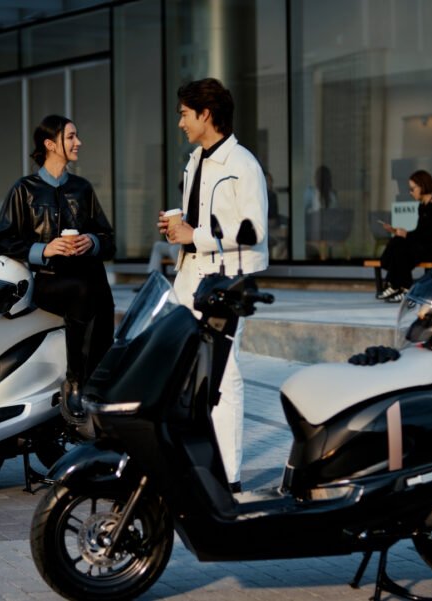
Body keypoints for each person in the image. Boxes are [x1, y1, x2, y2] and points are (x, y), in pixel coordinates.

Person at [158, 78, 269, 493]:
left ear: (206, 114)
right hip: (190, 278)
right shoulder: (195, 161)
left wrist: (196, 235)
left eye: (185, 114)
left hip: (225, 283)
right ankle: (194, 463)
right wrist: (178, 230)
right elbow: (200, 221)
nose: (181, 122)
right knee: (186, 373)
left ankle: (228, 478)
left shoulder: (243, 163)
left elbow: (255, 230)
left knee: (224, 375)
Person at [0, 114, 116, 422]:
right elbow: (2, 242)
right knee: (86, 289)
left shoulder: (82, 189)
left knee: (96, 288)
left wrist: (91, 242)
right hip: (46, 280)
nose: (78, 142)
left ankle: (97, 380)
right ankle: (77, 382)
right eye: (71, 137)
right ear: (50, 144)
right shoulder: (24, 189)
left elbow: (109, 240)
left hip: (85, 279)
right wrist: (43, 249)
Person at [377, 169, 432, 302]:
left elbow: (429, 235)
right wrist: (397, 232)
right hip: (425, 246)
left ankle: (397, 284)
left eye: (412, 189)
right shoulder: (422, 206)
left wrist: (406, 234)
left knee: (402, 246)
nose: (411, 192)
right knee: (399, 242)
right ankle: (400, 286)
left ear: (422, 186)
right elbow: (420, 233)